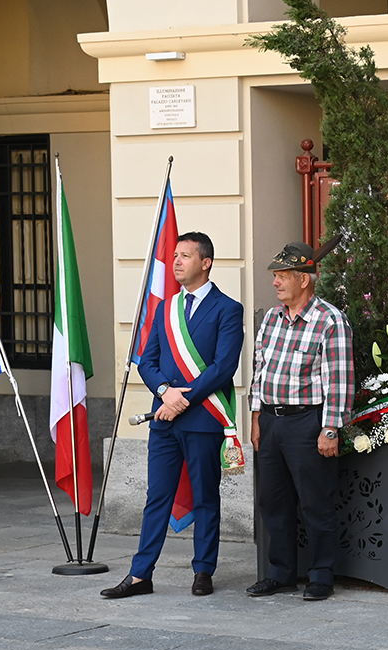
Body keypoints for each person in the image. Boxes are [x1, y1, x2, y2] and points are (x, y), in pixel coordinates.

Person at [101, 232, 244, 599]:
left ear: (205, 262)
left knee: (205, 497)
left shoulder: (228, 309)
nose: (177, 261)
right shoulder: (164, 308)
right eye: (175, 255)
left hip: (203, 420)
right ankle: (139, 575)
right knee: (157, 497)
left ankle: (203, 571)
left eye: (185, 255)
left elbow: (223, 367)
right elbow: (146, 361)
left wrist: (184, 399)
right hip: (165, 419)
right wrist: (165, 392)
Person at [248, 240, 354, 601]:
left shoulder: (329, 320)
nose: (276, 283)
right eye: (275, 276)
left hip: (307, 421)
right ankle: (280, 573)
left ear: (304, 279)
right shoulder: (272, 319)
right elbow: (259, 370)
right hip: (273, 420)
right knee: (272, 500)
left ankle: (321, 574)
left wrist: (330, 429)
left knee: (315, 501)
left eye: (282, 276)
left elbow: (339, 379)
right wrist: (256, 416)